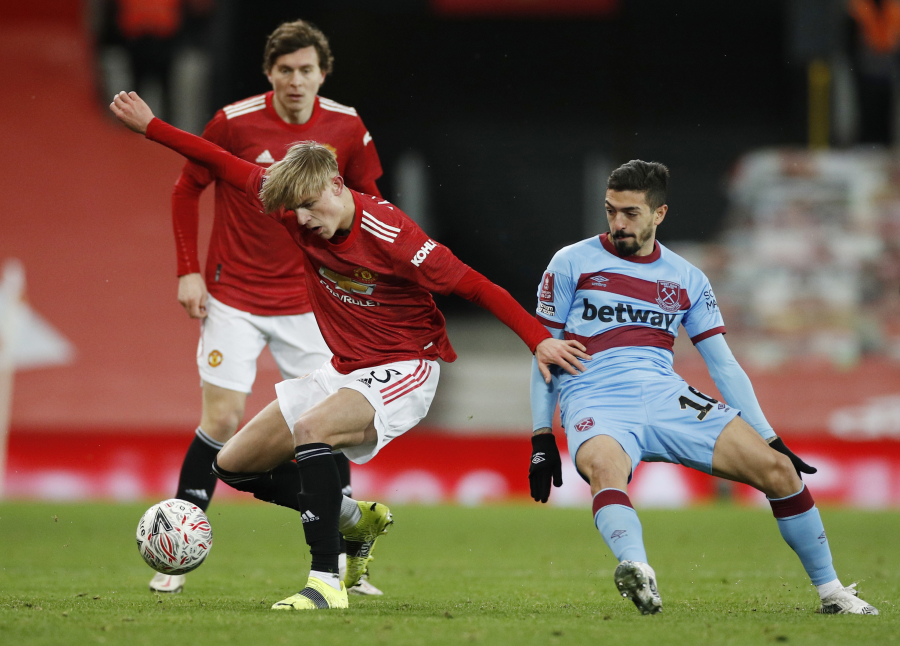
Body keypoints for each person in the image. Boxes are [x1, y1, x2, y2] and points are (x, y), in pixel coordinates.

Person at [109, 89, 591, 610]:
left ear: (337, 184)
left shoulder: (392, 234)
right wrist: (153, 126)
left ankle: (325, 584)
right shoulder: (292, 204)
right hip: (345, 370)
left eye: (312, 207)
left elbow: (475, 285)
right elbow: (222, 162)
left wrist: (538, 339)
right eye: (294, 211)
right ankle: (355, 519)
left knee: (313, 433)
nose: (304, 220)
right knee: (234, 463)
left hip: (405, 365)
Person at [526, 160, 879, 616]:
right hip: (595, 394)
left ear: (660, 214)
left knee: (780, 473)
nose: (618, 224)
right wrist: (540, 435)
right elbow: (542, 353)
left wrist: (769, 436)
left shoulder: (687, 278)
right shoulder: (571, 261)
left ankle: (833, 594)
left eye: (631, 213)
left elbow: (723, 365)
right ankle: (637, 569)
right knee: (605, 470)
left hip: (666, 395)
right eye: (611, 211)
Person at [159, 20, 384, 595]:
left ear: (322, 74)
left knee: (326, 428)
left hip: (312, 302)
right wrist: (188, 269)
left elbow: (371, 204)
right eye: (285, 70)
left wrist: (365, 278)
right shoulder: (233, 123)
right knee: (223, 419)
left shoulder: (347, 126)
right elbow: (188, 188)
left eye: (306, 70)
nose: (296, 80)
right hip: (233, 294)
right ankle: (178, 549)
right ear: (270, 74)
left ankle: (347, 559)